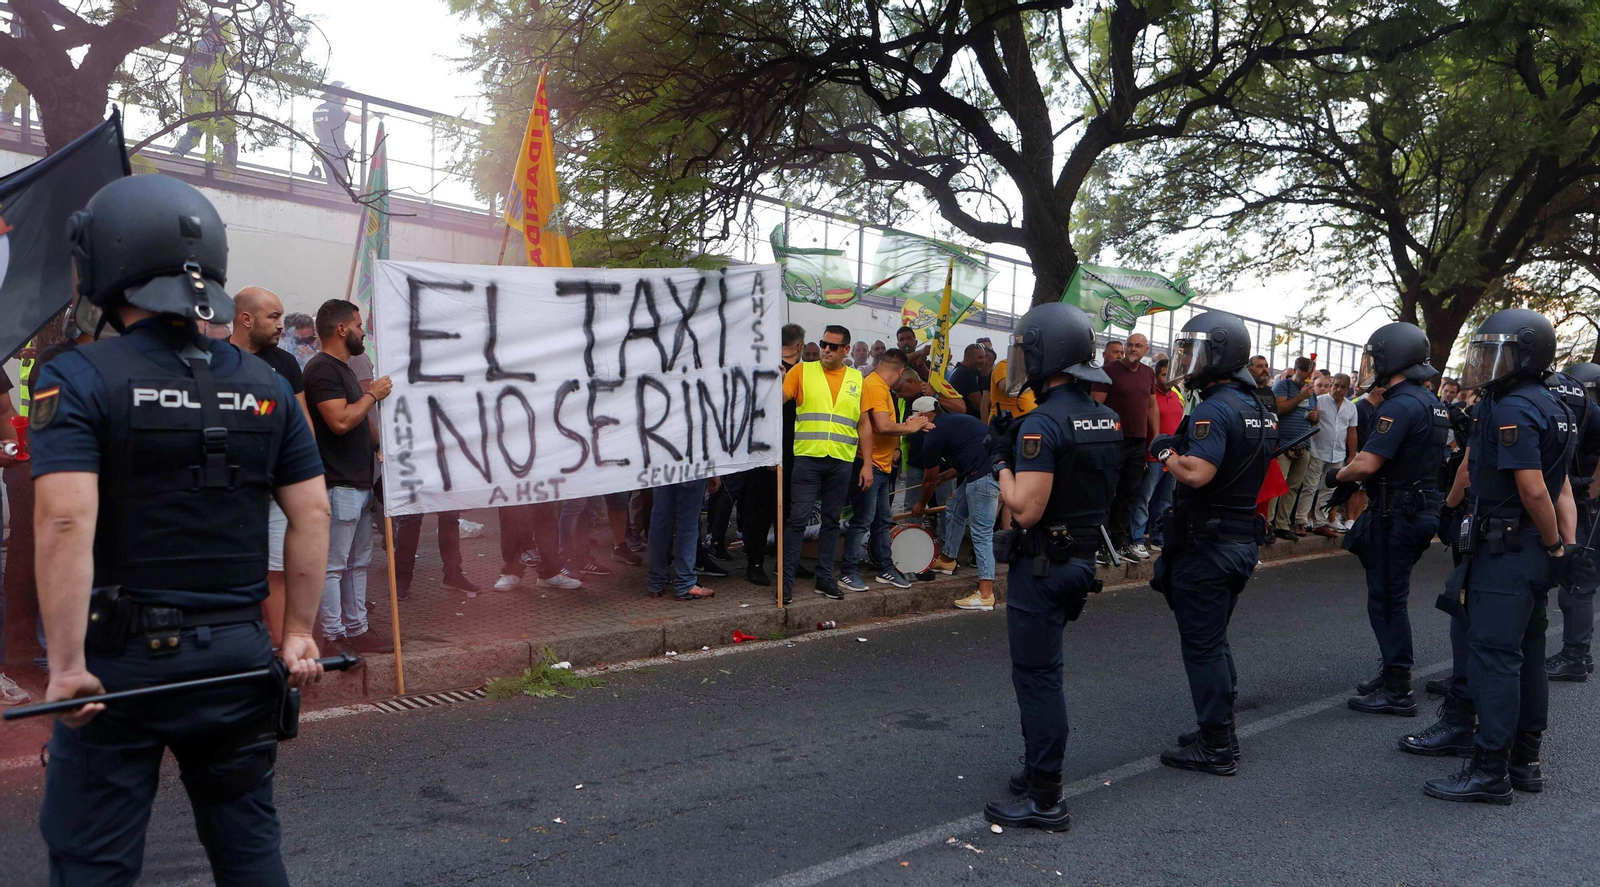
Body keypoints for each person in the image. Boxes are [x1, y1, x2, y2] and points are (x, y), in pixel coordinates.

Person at [32, 174, 330, 883]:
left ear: (106, 262)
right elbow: (312, 511)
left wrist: (67, 665)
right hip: (235, 656)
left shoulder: (76, 376)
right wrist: (296, 634)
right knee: (249, 848)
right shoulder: (268, 386)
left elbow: (66, 517)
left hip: (119, 666)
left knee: (92, 861)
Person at [1421, 308, 1587, 804]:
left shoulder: (1512, 407)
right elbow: (1561, 492)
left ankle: (1490, 769)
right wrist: (1563, 548)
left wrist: (1556, 545)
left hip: (1507, 549)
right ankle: (1524, 761)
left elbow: (1535, 489)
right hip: (1534, 549)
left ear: (1528, 355)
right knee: (1529, 655)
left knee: (1494, 657)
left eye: (1500, 353)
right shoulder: (1554, 403)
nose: (1487, 363)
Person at [981, 303, 1120, 833]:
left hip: (1042, 563)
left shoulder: (1042, 423)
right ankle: (1034, 770)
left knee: (1038, 679)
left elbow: (1026, 507)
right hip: (1079, 558)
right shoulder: (1104, 416)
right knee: (1047, 673)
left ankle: (1046, 798)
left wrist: (1001, 461)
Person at [1148, 311, 1277, 775]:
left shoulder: (1214, 408)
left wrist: (1165, 451)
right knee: (1215, 640)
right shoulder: (1257, 405)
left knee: (1202, 645)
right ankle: (1215, 727)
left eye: (1193, 350)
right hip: (1237, 538)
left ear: (1219, 353)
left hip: (1208, 543)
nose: (1186, 358)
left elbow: (1199, 474)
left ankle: (1217, 745)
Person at [1327, 323, 1449, 716]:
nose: (1372, 365)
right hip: (1418, 509)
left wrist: (1336, 477)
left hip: (1398, 513)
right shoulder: (1431, 402)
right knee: (1390, 598)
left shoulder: (1399, 404)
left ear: (1392, 358)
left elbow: (1368, 462)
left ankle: (1397, 688)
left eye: (1376, 358)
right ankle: (1392, 674)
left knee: (1386, 601)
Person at [229, 287, 323, 640]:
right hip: (231, 488)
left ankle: (285, 645)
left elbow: (303, 422)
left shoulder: (284, 364)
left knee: (278, 570)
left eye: (281, 317)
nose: (280, 325)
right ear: (246, 318)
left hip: (277, 487)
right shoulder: (214, 359)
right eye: (273, 317)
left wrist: (308, 474)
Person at [303, 299, 392, 655]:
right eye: (358, 325)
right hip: (338, 484)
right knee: (335, 565)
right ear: (341, 329)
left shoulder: (342, 369)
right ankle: (333, 634)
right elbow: (340, 421)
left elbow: (359, 422)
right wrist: (373, 394)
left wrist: (380, 445)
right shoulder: (322, 370)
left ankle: (357, 629)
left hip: (357, 482)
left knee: (357, 563)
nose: (363, 332)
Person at [782, 325, 875, 603]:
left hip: (841, 460)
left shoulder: (857, 380)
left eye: (833, 346)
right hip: (808, 457)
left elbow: (864, 424)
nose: (826, 350)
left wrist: (867, 464)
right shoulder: (801, 371)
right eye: (824, 343)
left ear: (846, 350)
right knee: (797, 520)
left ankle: (825, 579)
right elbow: (780, 400)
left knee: (831, 522)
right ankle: (785, 581)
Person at [840, 349, 930, 591]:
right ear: (900, 371)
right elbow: (882, 425)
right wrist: (910, 428)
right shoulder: (874, 387)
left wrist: (915, 425)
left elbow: (890, 426)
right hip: (868, 465)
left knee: (882, 520)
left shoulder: (880, 387)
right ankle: (847, 572)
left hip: (881, 464)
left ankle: (885, 569)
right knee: (862, 520)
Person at [909, 398, 998, 610]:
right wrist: (945, 476)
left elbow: (928, 480)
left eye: (913, 418)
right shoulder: (954, 421)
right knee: (955, 506)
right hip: (986, 469)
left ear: (923, 416)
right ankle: (948, 559)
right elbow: (968, 456)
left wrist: (920, 505)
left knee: (982, 533)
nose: (912, 423)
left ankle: (985, 594)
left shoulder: (932, 435)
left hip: (984, 476)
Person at [1546, 362, 1600, 680]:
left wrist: (1588, 495)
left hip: (1589, 508)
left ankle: (1576, 657)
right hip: (1581, 503)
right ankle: (1578, 654)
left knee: (1578, 585)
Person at [1092, 333, 1160, 561]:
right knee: (1106, 493)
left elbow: (1152, 407)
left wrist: (1156, 438)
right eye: (1129, 345)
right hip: (1113, 441)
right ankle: (1100, 545)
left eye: (1138, 346)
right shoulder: (1108, 372)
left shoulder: (1148, 373)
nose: (1132, 349)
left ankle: (1120, 544)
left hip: (1138, 442)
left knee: (1128, 494)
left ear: (1146, 349)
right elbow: (1095, 405)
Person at [1130, 357, 1183, 552]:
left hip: (1172, 457)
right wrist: (1144, 453)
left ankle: (1159, 537)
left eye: (1171, 375)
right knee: (1144, 498)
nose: (1169, 379)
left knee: (1165, 500)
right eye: (1164, 375)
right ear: (1155, 376)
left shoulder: (1177, 395)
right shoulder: (1150, 397)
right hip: (1152, 457)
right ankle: (1136, 538)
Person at [1306, 373, 1358, 537]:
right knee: (1310, 487)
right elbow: (1310, 421)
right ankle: (1303, 519)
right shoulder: (1319, 401)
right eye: (1335, 385)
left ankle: (1321, 522)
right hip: (1317, 450)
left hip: (1338, 453)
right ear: (1331, 384)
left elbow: (1352, 432)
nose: (1338, 389)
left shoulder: (1351, 407)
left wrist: (1351, 455)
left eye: (1343, 387)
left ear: (1347, 389)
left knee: (1329, 490)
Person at [1271, 357, 1318, 539]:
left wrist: (1315, 417)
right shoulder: (1284, 386)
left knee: (1293, 487)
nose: (1306, 377)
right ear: (1296, 369)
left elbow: (1316, 416)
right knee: (1278, 485)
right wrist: (1301, 397)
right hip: (1284, 443)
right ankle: (1268, 523)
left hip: (1303, 444)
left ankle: (1282, 525)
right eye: (1304, 373)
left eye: (1309, 374)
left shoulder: (1311, 392)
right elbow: (1279, 409)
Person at [648, 479, 717, 601]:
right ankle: (685, 583)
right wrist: (714, 472)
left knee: (660, 521)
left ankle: (656, 582)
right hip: (691, 467)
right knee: (688, 523)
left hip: (661, 467)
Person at [311, 82, 373, 189]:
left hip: (323, 150)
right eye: (344, 96)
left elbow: (317, 131)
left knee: (330, 182)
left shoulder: (318, 109)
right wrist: (374, 114)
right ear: (337, 94)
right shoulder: (337, 108)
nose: (346, 99)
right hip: (337, 151)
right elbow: (359, 120)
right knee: (341, 185)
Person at [948, 344, 987, 416]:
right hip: (963, 419)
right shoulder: (967, 374)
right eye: (980, 358)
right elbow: (979, 405)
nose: (983, 361)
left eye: (984, 357)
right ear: (968, 357)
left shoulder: (958, 369)